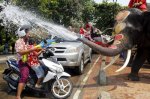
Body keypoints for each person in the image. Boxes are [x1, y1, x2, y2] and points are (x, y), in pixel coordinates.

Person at [15, 25, 40, 99]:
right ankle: (18, 96)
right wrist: (32, 49)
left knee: (38, 71)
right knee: (24, 77)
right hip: (23, 62)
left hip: (29, 61)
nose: (29, 34)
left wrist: (40, 49)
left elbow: (33, 48)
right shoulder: (19, 42)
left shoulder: (27, 41)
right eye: (28, 32)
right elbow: (21, 52)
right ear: (23, 33)